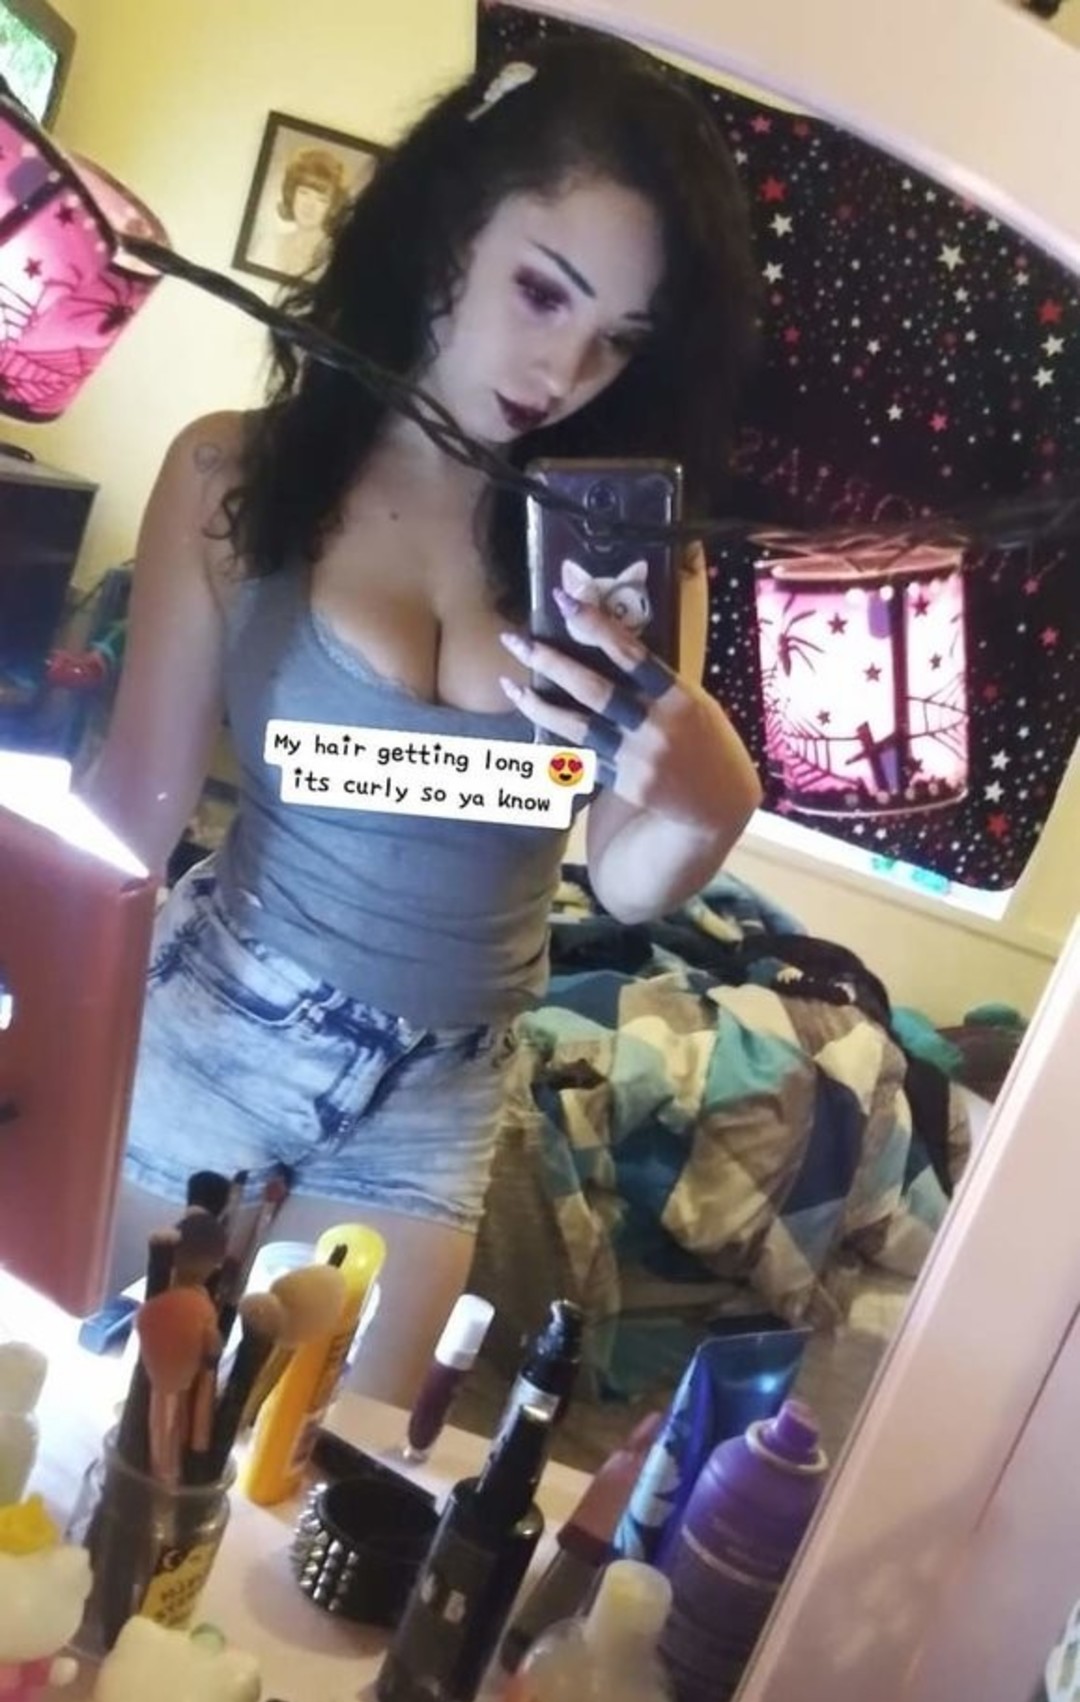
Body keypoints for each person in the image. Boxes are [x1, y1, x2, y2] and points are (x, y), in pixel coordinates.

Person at [86, 30, 763, 1405]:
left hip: (442, 1092)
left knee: (297, 1487)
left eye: (618, 340)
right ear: (450, 226)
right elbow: (136, 809)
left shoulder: (624, 552)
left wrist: (709, 801)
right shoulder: (234, 475)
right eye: (543, 290)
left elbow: (622, 879)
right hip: (218, 1018)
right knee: (87, 1430)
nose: (564, 369)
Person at [253, 145, 351, 282]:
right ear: (291, 194)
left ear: (332, 207)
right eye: (304, 193)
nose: (309, 205)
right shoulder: (268, 244)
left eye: (321, 199)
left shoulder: (334, 258)